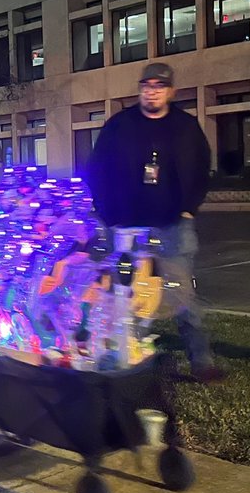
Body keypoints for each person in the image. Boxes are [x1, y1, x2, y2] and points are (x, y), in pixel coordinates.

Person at [87, 61, 224, 383]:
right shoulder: (119, 125)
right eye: (147, 86)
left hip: (173, 226)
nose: (152, 92)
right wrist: (107, 212)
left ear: (170, 91)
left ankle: (201, 361)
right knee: (125, 297)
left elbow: (203, 167)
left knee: (183, 297)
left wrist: (190, 207)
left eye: (159, 87)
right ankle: (125, 358)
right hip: (126, 227)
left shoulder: (186, 127)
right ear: (140, 90)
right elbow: (97, 168)